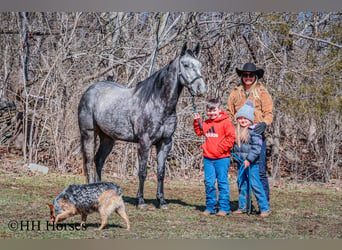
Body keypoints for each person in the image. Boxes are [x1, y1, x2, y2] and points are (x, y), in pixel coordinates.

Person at [227, 62, 273, 203]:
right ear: (242, 76)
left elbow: (269, 113)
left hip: (256, 134)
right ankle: (244, 204)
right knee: (242, 170)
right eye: (245, 75)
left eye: (251, 75)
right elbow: (229, 112)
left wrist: (264, 124)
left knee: (259, 172)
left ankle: (264, 204)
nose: (248, 77)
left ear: (255, 76)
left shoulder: (262, 92)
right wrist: (228, 129)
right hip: (239, 135)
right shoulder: (235, 92)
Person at [193, 98, 236, 216]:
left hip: (222, 159)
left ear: (219, 110)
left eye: (214, 110)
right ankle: (210, 207)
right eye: (209, 111)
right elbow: (199, 132)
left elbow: (231, 138)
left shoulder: (226, 123)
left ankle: (224, 208)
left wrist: (219, 150)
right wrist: (197, 121)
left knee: (222, 183)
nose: (211, 113)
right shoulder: (206, 123)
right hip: (208, 159)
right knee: (209, 182)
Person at [232, 100, 270, 217]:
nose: (243, 120)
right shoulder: (236, 131)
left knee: (256, 185)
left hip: (253, 163)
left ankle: (264, 208)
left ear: (250, 120)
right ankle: (243, 207)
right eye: (241, 118)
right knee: (242, 184)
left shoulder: (255, 131)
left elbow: (256, 148)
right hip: (241, 163)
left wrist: (249, 160)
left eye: (245, 118)